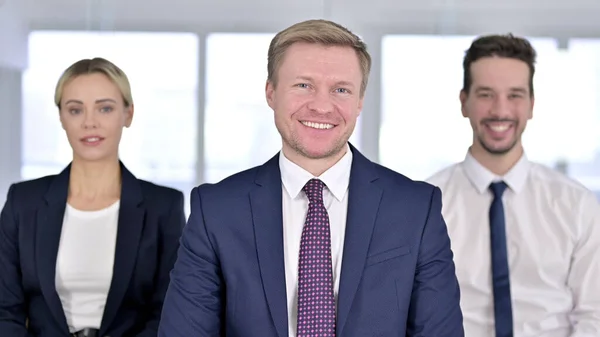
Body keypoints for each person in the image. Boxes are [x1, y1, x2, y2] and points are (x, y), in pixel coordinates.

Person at [158, 19, 463, 337]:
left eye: (341, 90)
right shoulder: (216, 210)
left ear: (360, 101)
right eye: (303, 85)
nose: (321, 106)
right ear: (271, 92)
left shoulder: (416, 208)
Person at [427, 34, 600, 336]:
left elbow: (594, 314)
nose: (500, 110)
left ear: (531, 105)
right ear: (464, 102)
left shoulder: (578, 206)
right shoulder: (425, 206)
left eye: (515, 95)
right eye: (485, 94)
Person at [0, 57, 186, 337]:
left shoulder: (164, 207)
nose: (90, 122)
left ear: (128, 114)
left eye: (105, 108)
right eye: (75, 110)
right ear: (61, 117)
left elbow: (168, 311)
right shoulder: (23, 202)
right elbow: (5, 310)